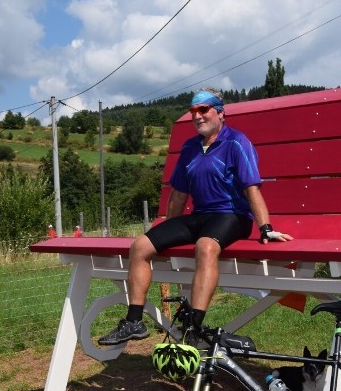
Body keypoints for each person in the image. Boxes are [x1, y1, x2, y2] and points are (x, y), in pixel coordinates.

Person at [98, 88, 292, 346]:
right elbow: (178, 194)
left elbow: (251, 188)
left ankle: (194, 329)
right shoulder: (190, 147)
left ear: (220, 113)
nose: (198, 116)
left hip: (232, 215)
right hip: (199, 216)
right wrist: (166, 233)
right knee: (140, 245)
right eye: (193, 111)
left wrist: (265, 228)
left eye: (204, 109)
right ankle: (134, 321)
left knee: (205, 245)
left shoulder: (236, 142)